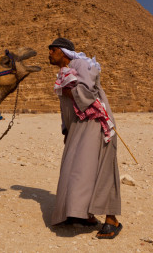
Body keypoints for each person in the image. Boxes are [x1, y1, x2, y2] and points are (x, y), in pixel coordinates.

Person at [48, 37, 122, 239]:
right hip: (78, 125)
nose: (49, 54)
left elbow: (88, 93)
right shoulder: (63, 72)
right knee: (75, 168)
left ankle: (112, 219)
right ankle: (82, 214)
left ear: (63, 52)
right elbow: (65, 107)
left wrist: (68, 89)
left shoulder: (81, 64)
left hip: (96, 122)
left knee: (101, 167)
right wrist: (66, 130)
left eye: (52, 50)